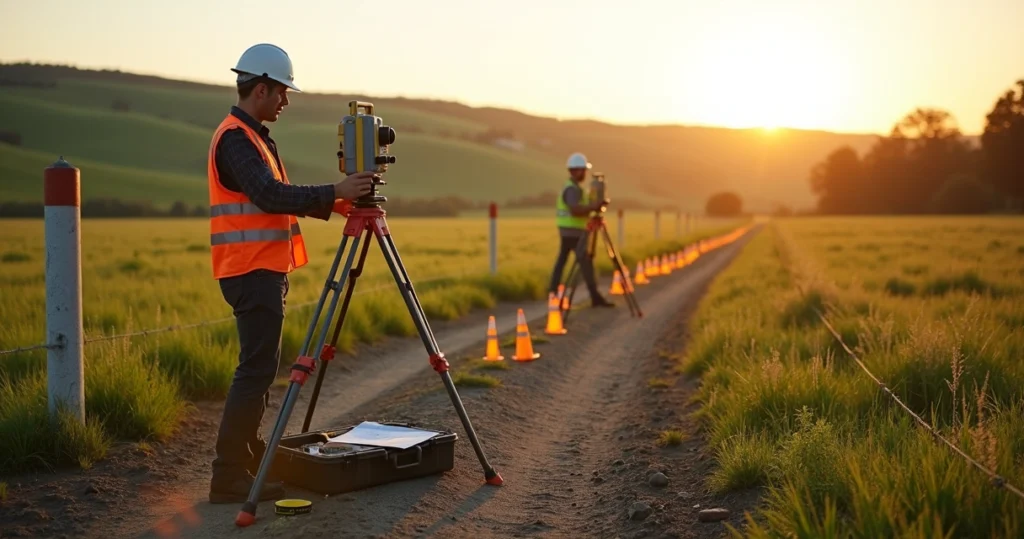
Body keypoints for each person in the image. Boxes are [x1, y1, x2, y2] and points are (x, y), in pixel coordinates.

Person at [206, 43, 376, 504]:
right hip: (250, 270)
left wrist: (336, 201)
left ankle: (247, 454)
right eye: (282, 92)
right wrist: (334, 189)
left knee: (260, 370)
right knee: (254, 371)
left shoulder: (252, 135)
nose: (286, 101)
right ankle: (228, 475)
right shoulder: (236, 138)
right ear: (261, 89)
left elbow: (273, 196)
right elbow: (270, 195)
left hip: (261, 269)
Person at [548, 152, 615, 308]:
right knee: (584, 263)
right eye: (583, 170)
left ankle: (554, 293)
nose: (585, 173)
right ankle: (594, 297)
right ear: (575, 170)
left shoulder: (574, 187)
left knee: (565, 261)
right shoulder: (572, 189)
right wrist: (594, 206)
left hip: (571, 230)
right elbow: (575, 210)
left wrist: (593, 206)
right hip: (573, 232)